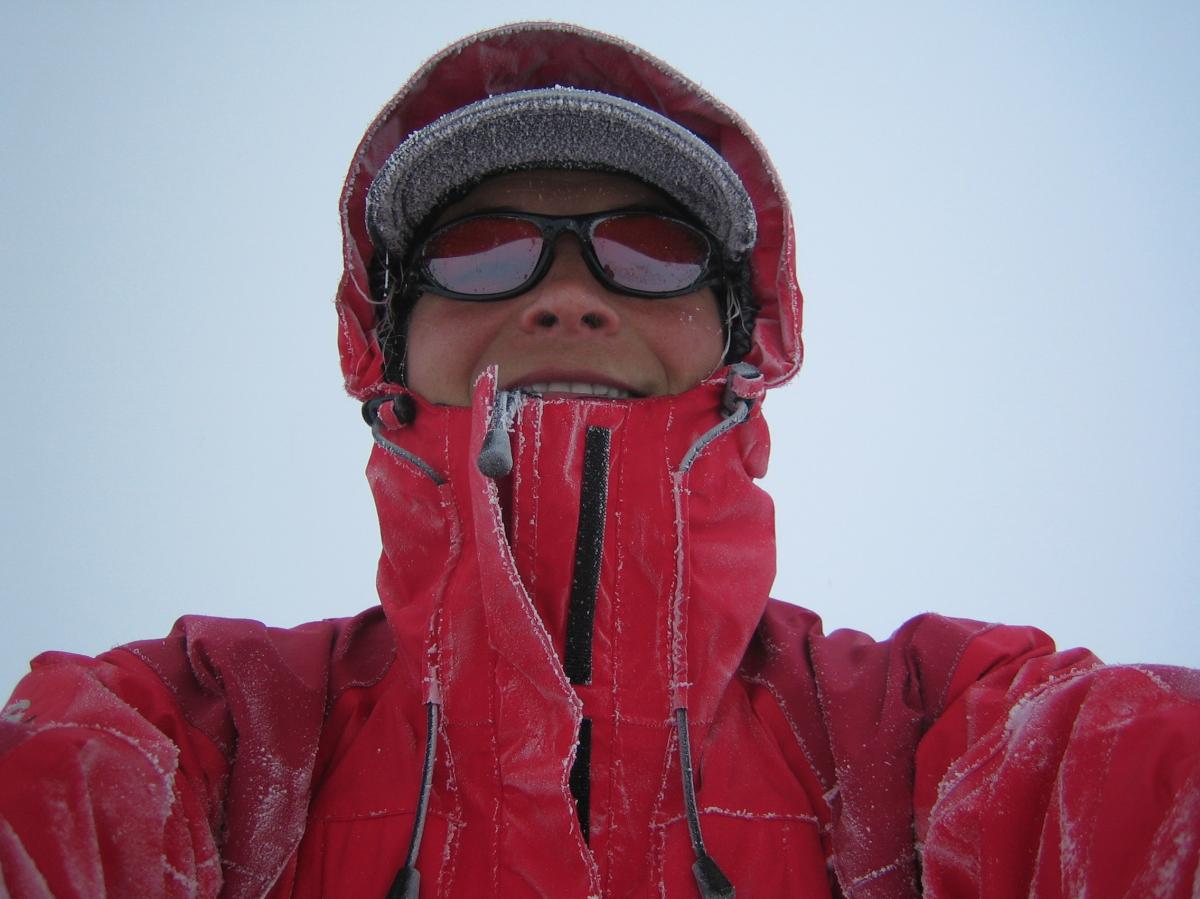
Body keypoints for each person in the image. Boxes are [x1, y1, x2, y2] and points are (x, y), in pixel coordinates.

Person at [2, 21, 1198, 899]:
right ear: (391, 352)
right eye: (482, 250)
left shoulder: (909, 733)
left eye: (649, 249)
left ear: (735, 343)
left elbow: (1135, 788)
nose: (569, 297)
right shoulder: (225, 733)